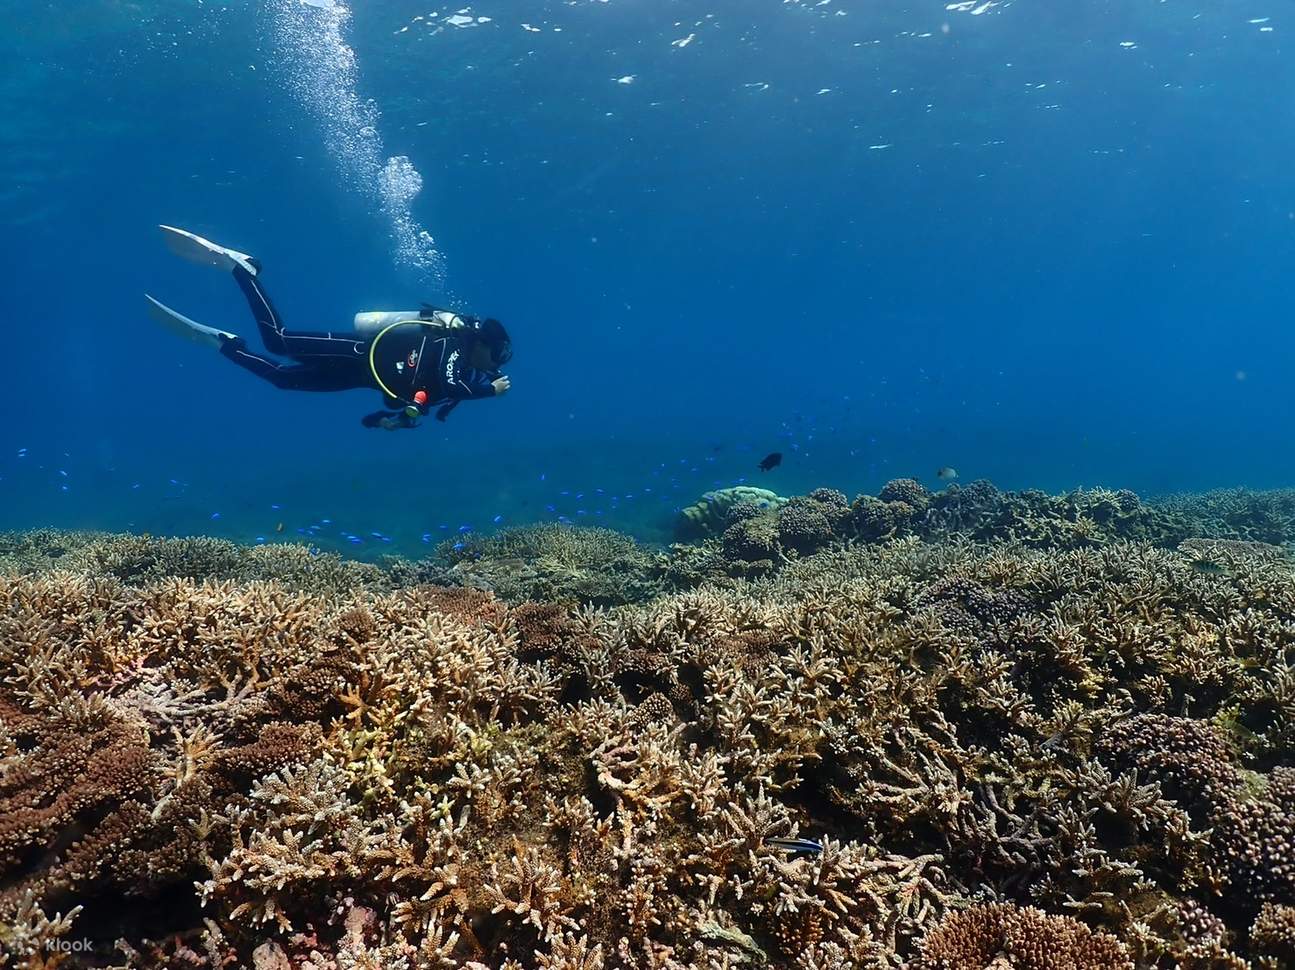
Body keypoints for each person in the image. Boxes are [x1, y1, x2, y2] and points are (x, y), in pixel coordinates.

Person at [145, 225, 511, 429]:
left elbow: (421, 398)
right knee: (279, 341)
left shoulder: (461, 373)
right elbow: (448, 383)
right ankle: (244, 270)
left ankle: (226, 345)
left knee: (283, 379)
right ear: (482, 342)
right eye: (496, 355)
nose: (495, 365)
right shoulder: (455, 345)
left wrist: (392, 421)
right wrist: (489, 392)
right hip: (359, 352)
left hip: (359, 377)